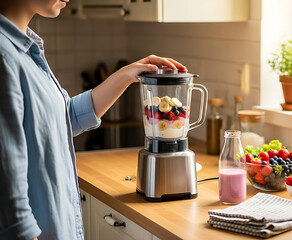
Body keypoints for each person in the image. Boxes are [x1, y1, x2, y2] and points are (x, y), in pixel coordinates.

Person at [0, 0, 187, 239]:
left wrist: (127, 74)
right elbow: (9, 202)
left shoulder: (24, 46)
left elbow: (63, 117)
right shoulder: (4, 57)